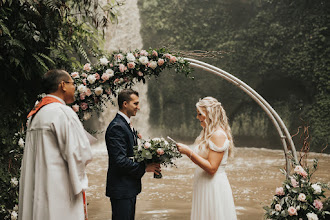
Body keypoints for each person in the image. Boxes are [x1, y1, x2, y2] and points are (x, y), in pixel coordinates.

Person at [18, 69, 93, 220]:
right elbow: (80, 153)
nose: (75, 88)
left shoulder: (36, 115)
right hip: (59, 192)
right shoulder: (62, 112)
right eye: (73, 84)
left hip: (39, 189)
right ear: (63, 85)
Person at [176, 97, 237, 220]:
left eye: (200, 114)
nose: (197, 117)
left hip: (213, 186)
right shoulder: (207, 132)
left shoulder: (218, 135)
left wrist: (188, 152)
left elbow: (212, 168)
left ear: (210, 114)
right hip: (204, 184)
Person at [105, 88, 160, 220]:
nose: (139, 107)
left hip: (128, 187)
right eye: (135, 104)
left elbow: (130, 153)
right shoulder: (117, 127)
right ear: (125, 104)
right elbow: (120, 160)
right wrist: (145, 168)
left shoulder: (125, 124)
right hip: (121, 188)